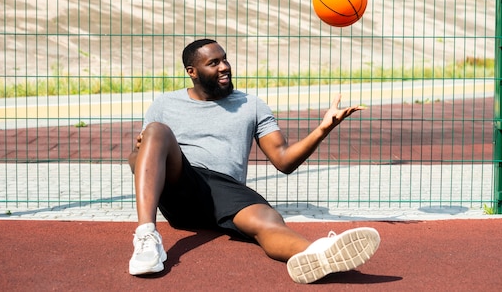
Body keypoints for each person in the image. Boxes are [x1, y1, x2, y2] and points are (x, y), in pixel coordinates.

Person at [128, 39, 380, 284]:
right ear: (192, 72)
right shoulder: (165, 104)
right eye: (213, 62)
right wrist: (139, 153)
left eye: (224, 59)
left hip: (226, 191)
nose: (224, 66)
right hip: (182, 181)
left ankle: (316, 253)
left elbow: (284, 161)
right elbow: (137, 160)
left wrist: (322, 129)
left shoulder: (251, 105)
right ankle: (146, 237)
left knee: (267, 220)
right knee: (157, 130)